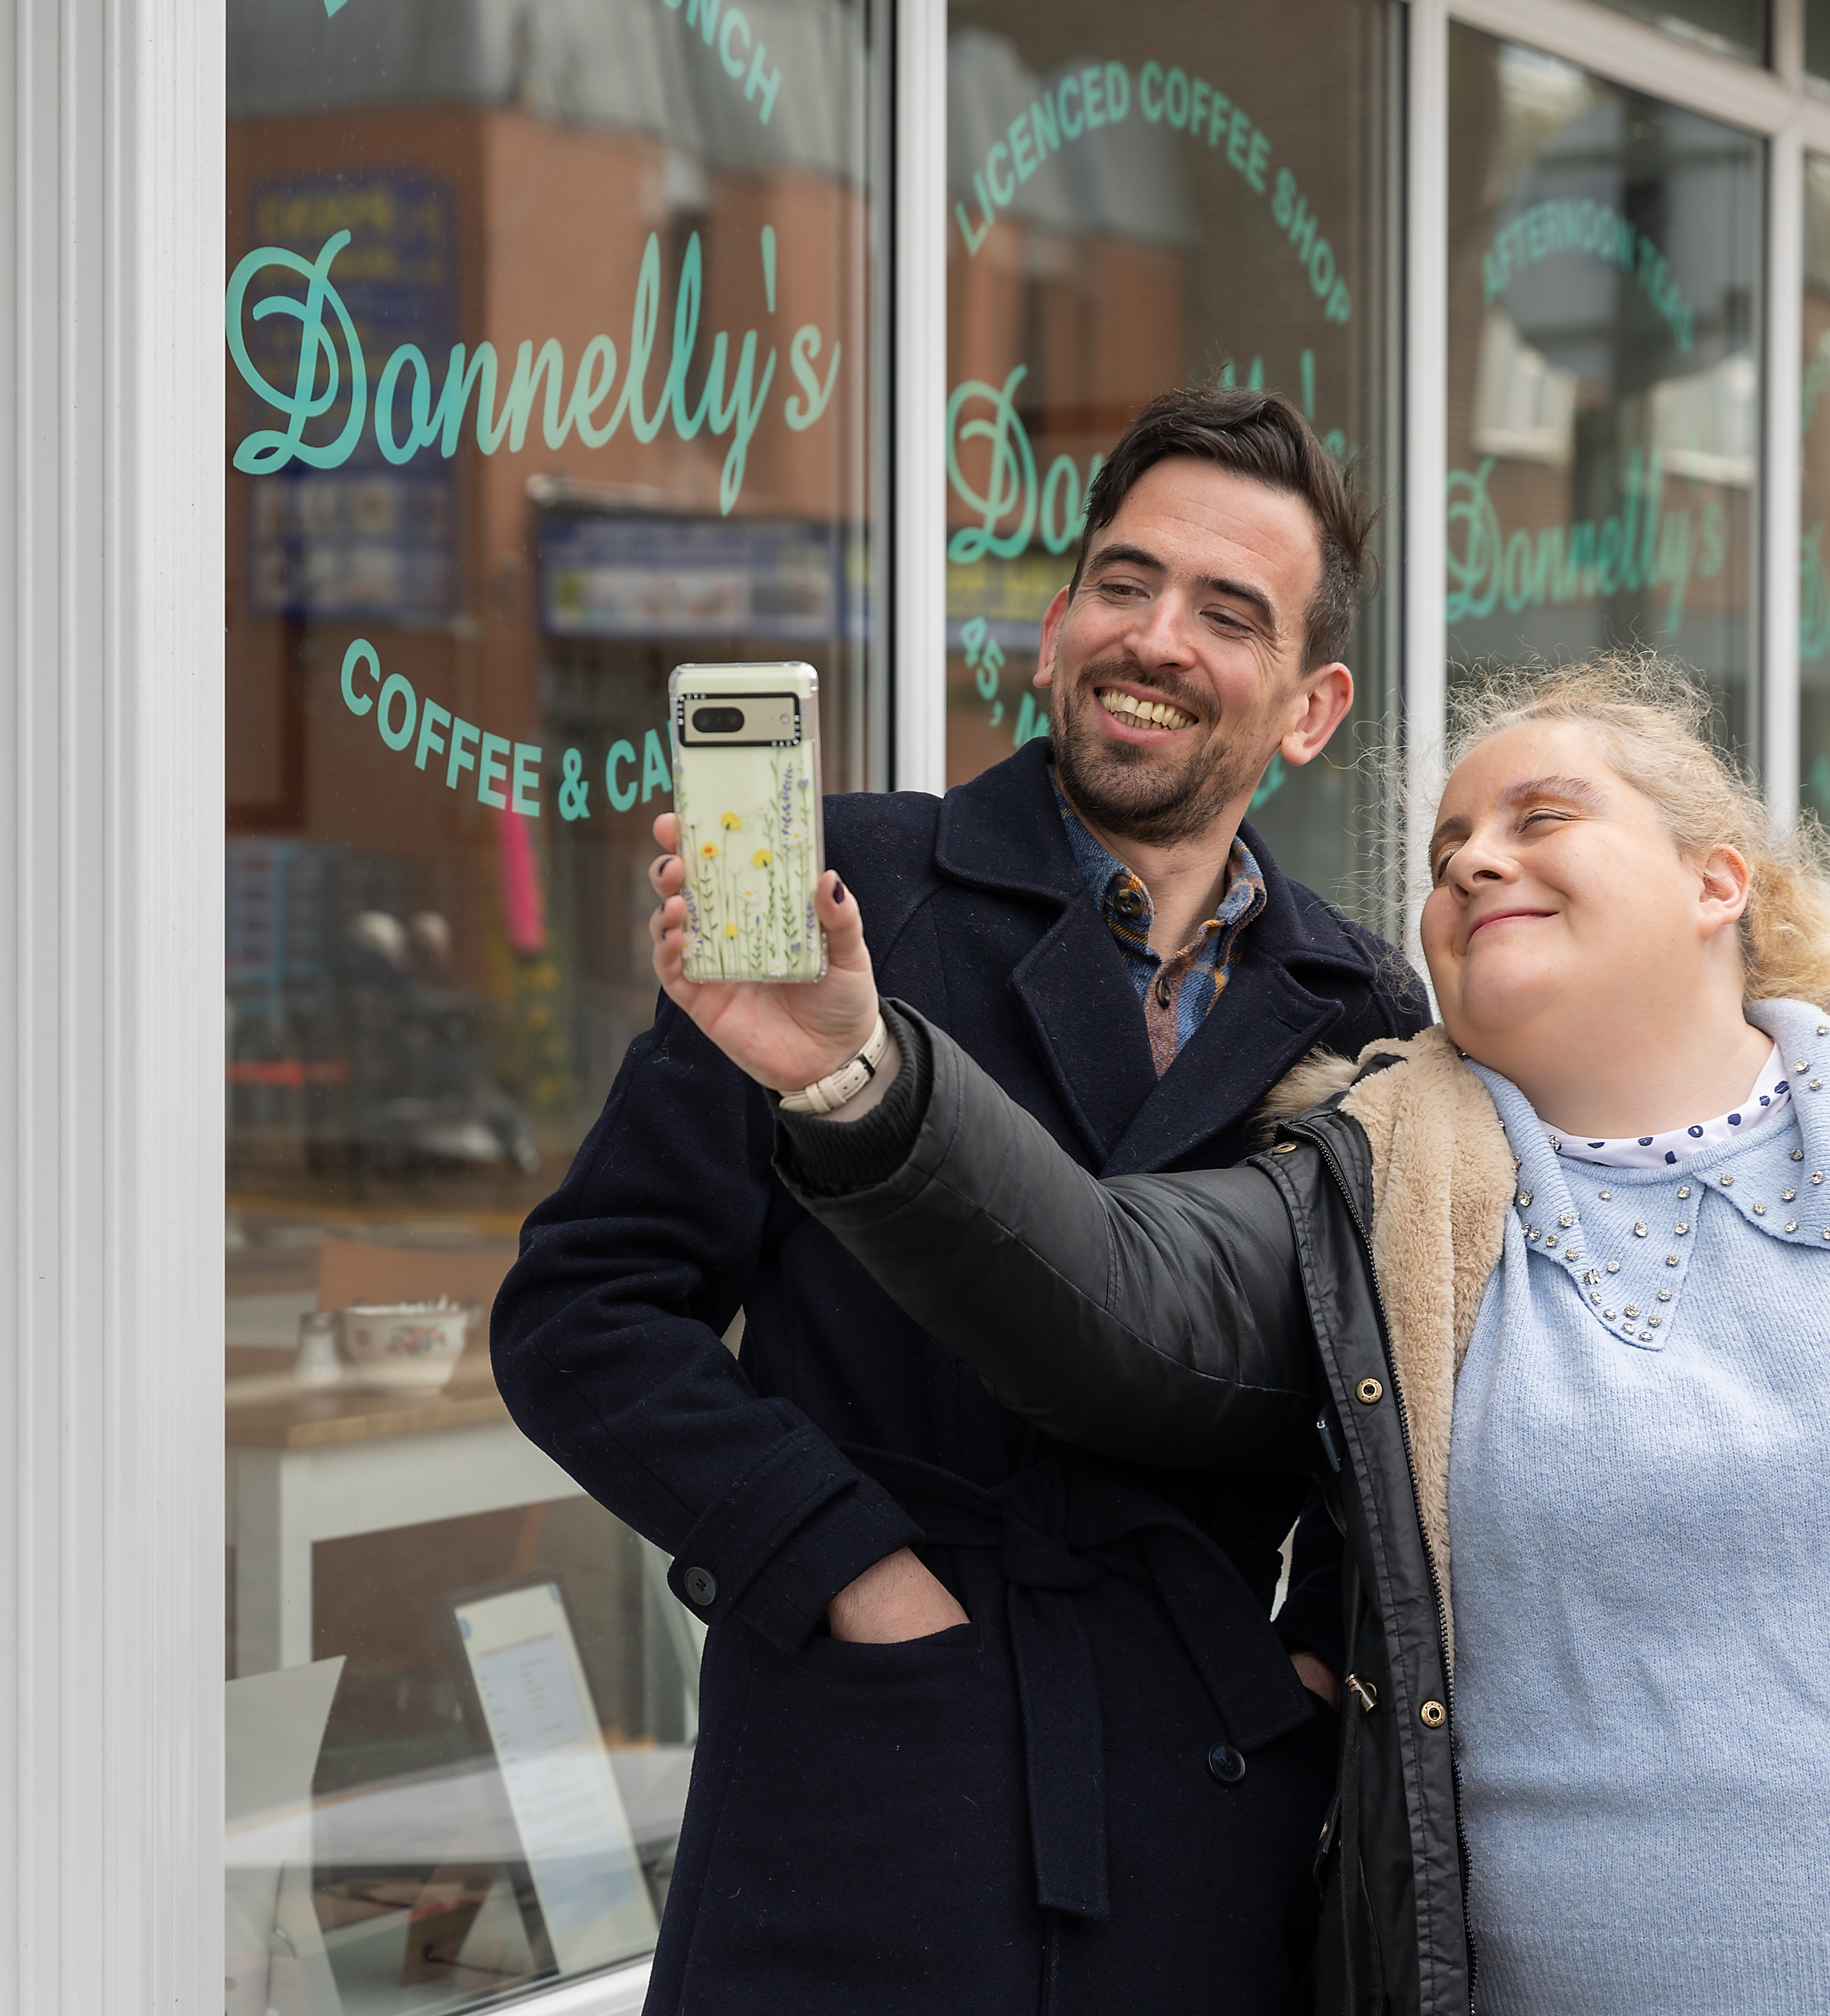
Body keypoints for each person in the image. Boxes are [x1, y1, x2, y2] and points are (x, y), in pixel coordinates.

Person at [646, 653, 1830, 2016]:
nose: (1472, 864)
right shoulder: (1386, 1197)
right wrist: (856, 1071)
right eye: (1447, 854)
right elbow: (1111, 1296)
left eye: (1540, 819)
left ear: (1721, 883)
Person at [490, 386, 1429, 2015]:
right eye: (1124, 585)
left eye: (1227, 612)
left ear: (1309, 705)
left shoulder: (1364, 1010)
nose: (1156, 637)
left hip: (1208, 1779)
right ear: (1053, 627)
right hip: (864, 1780)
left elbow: (1412, 1397)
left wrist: (1319, 1647)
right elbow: (586, 1316)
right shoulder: (854, 890)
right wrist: (849, 1574)